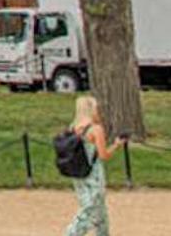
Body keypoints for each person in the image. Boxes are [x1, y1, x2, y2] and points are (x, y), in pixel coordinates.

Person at [62, 95, 125, 236]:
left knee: (99, 211)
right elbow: (104, 155)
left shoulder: (73, 128)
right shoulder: (96, 129)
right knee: (89, 210)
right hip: (93, 174)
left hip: (79, 173)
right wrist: (116, 145)